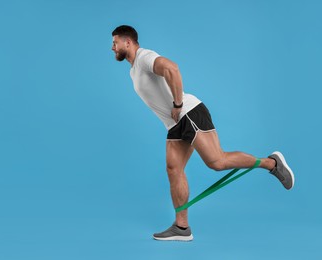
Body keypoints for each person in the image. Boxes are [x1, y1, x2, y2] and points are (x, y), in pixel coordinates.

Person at [111, 25, 295, 241]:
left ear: (128, 42)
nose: (112, 48)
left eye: (115, 43)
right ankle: (182, 228)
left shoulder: (144, 57)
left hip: (188, 113)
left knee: (216, 162)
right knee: (173, 169)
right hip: (174, 125)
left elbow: (172, 68)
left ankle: (272, 163)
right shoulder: (134, 70)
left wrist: (178, 104)